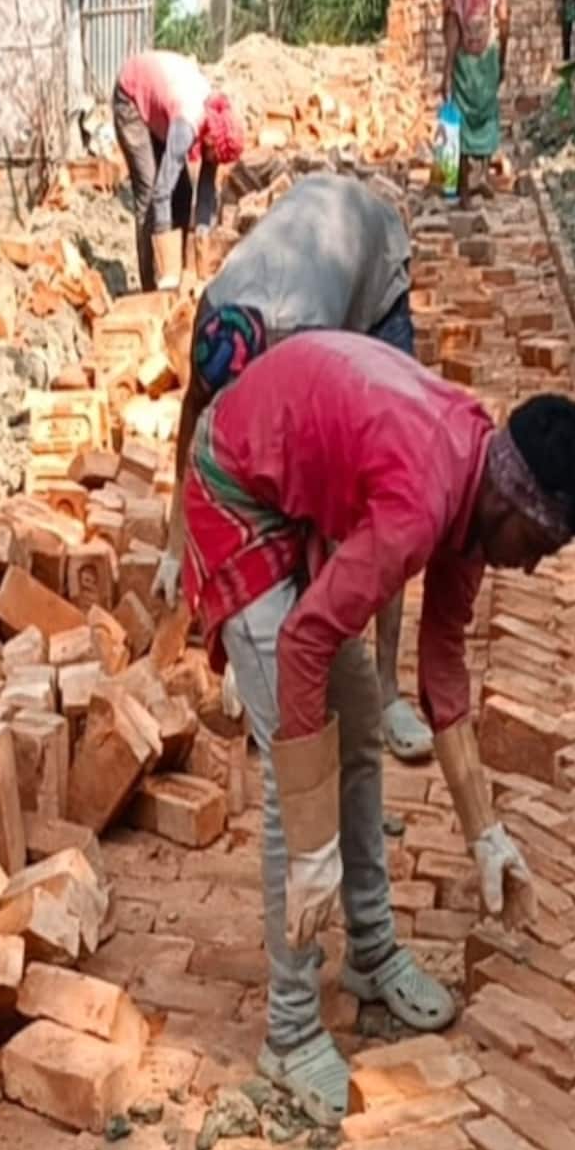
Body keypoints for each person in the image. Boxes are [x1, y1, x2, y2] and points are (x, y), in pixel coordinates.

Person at [179, 330, 575, 1121]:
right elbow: (306, 640)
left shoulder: (478, 484)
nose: (538, 566)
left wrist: (487, 833)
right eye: (543, 545)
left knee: (361, 720)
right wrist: (315, 850)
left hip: (287, 489)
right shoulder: (423, 501)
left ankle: (371, 952)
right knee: (296, 774)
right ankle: (289, 1030)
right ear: (516, 505)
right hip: (233, 492)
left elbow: (442, 668)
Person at [153, 174, 437, 761]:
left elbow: (322, 510)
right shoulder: (216, 308)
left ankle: (384, 691)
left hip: (371, 259)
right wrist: (177, 544)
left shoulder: (310, 356)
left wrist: (288, 647)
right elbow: (194, 427)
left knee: (387, 493)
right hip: (305, 249)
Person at [112, 50, 245, 292]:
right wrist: (166, 260)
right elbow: (161, 192)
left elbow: (205, 188)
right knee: (150, 188)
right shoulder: (188, 124)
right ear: (211, 140)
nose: (212, 162)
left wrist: (203, 233)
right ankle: (152, 285)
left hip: (163, 104)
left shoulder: (215, 129)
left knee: (183, 191)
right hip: (131, 95)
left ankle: (181, 268)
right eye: (214, 156)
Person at [440, 0, 509, 200]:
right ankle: (481, 178)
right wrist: (503, 54)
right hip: (490, 52)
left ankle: (464, 185)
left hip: (467, 57)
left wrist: (446, 70)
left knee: (464, 114)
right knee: (486, 112)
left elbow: (454, 24)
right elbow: (503, 13)